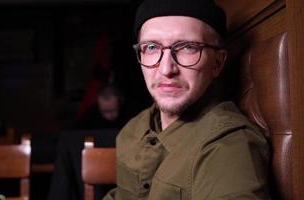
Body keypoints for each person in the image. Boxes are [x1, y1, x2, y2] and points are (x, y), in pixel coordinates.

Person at [103, 0, 270, 199]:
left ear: (217, 62)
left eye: (188, 47)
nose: (166, 69)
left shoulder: (227, 146)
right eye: (151, 47)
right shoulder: (131, 131)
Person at [47, 85, 127, 200]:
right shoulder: (91, 115)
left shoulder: (129, 117)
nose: (109, 115)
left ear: (119, 103)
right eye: (105, 112)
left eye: (113, 111)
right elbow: (72, 137)